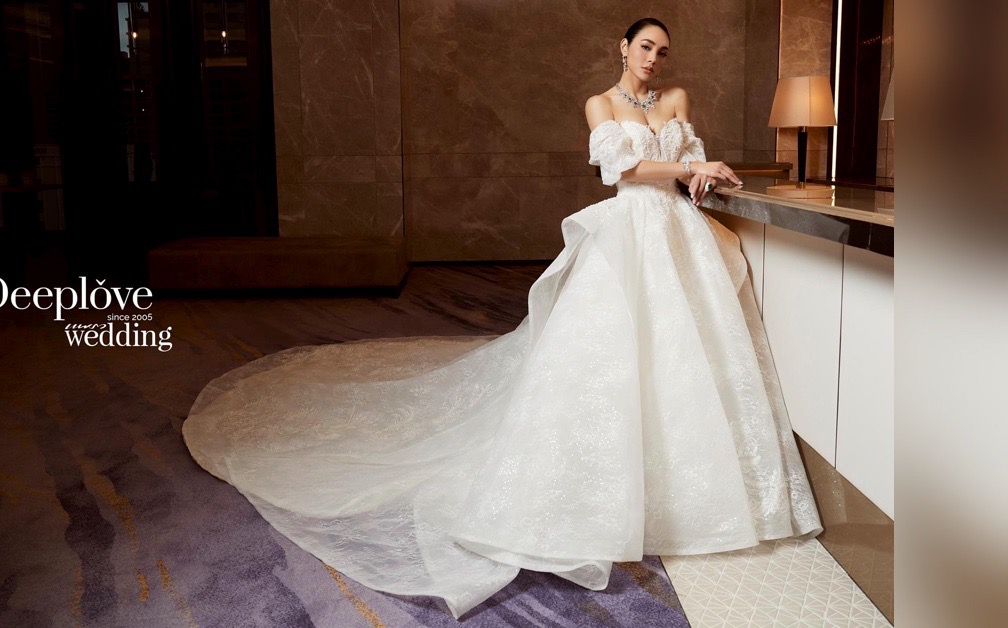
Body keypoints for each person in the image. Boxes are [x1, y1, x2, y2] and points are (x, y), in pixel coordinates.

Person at [183, 17, 823, 620]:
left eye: (662, 50)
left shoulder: (677, 99)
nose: (654, 58)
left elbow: (688, 170)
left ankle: (691, 490)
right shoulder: (600, 104)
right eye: (645, 47)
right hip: (630, 232)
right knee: (608, 356)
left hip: (678, 234)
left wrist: (701, 179)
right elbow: (622, 169)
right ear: (622, 49)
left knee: (684, 356)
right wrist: (690, 166)